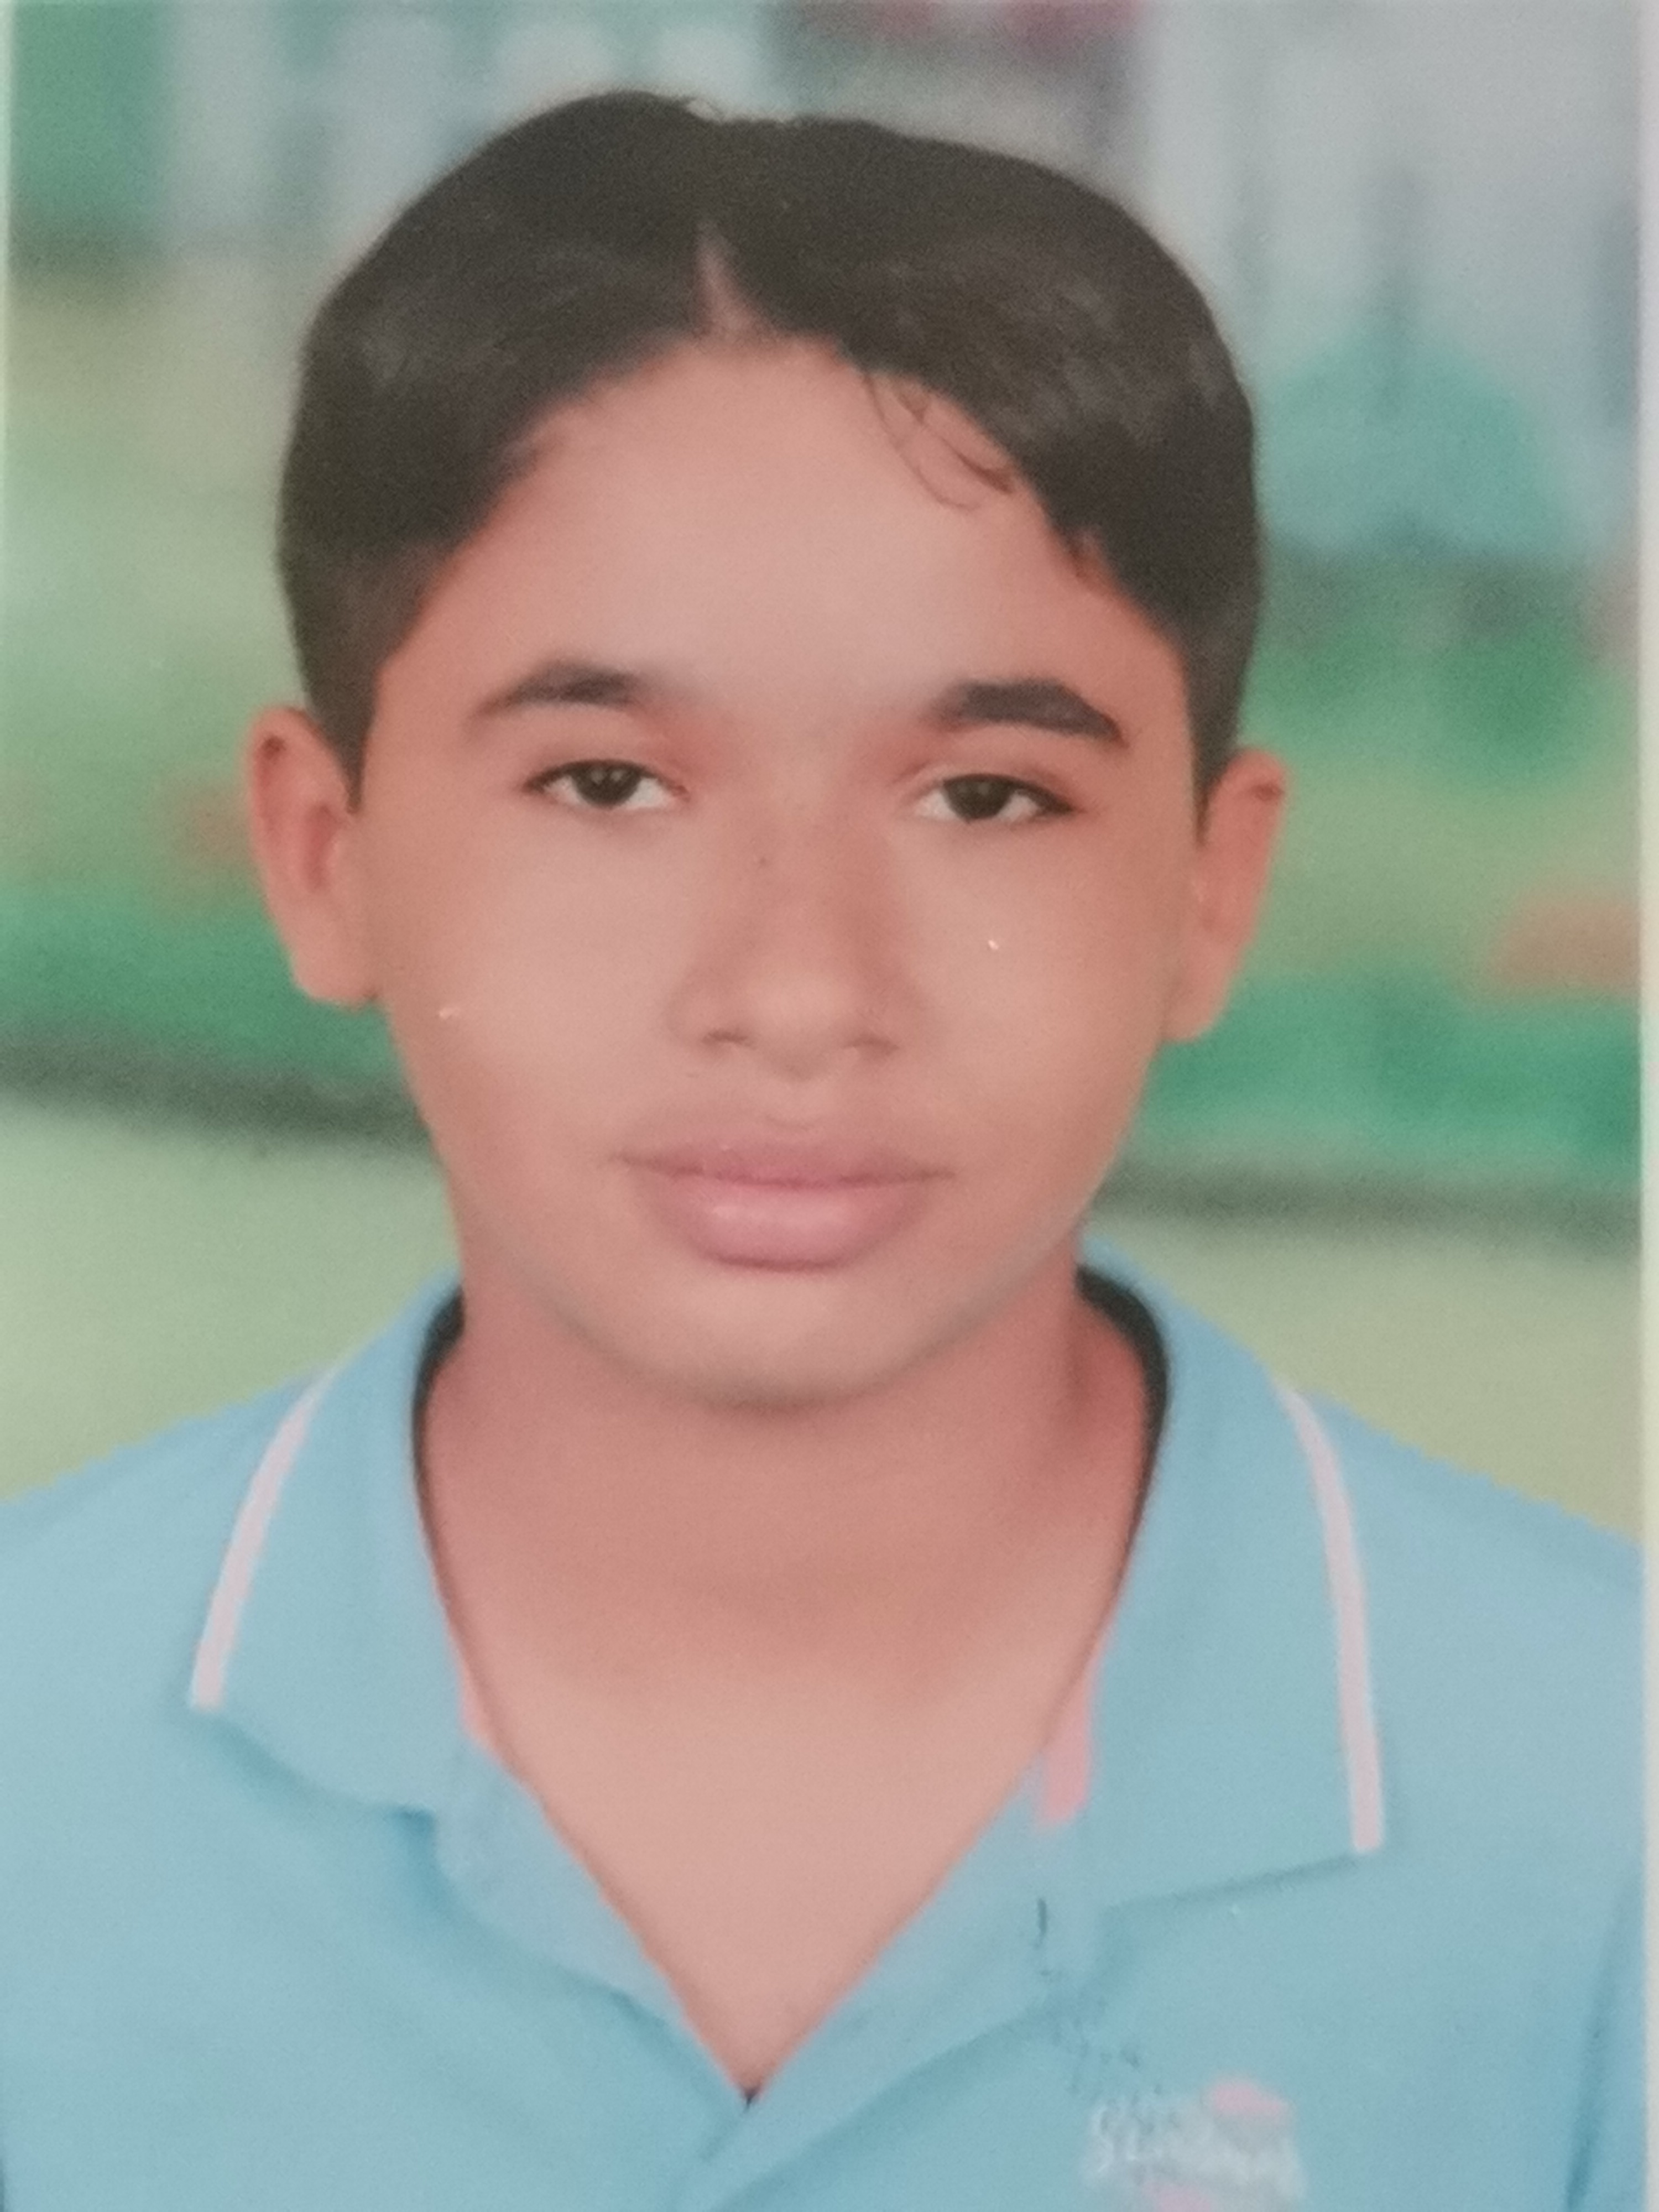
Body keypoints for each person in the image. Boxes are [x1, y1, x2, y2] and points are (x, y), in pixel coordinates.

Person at [0, 93, 1638, 2212]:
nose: (795, 991)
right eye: (607, 784)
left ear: (1211, 890)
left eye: (985, 798)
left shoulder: (1605, 1800)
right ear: (326, 856)